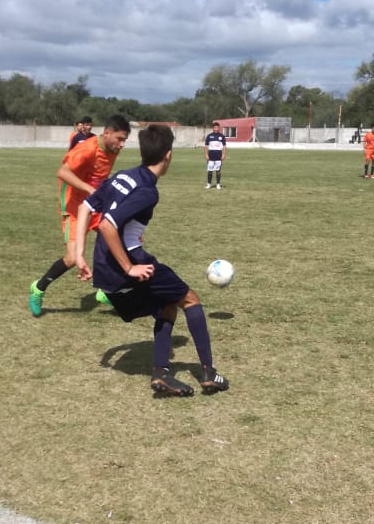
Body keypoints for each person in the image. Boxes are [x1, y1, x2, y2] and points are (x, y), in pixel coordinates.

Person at [75, 123, 229, 398]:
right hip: (127, 265)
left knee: (167, 302)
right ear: (168, 155)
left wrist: (78, 255)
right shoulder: (147, 190)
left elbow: (84, 207)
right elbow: (107, 225)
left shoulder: (123, 175)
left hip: (104, 270)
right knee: (190, 299)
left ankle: (161, 374)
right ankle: (209, 373)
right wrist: (129, 267)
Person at [28, 114, 131, 316]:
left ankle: (106, 291)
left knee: (117, 240)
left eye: (125, 140)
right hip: (74, 207)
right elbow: (62, 172)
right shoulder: (87, 149)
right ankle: (38, 288)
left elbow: (99, 177)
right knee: (72, 258)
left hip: (95, 206)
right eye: (119, 139)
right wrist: (90, 190)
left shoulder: (112, 149)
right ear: (107, 133)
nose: (122, 144)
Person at [203, 121, 227, 189]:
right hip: (210, 156)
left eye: (217, 127)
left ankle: (218, 184)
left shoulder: (222, 136)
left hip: (218, 156)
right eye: (215, 127)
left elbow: (224, 146)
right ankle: (208, 184)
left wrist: (223, 154)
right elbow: (206, 146)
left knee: (218, 171)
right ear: (213, 128)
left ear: (219, 128)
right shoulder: (209, 136)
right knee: (209, 171)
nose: (216, 129)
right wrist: (206, 154)